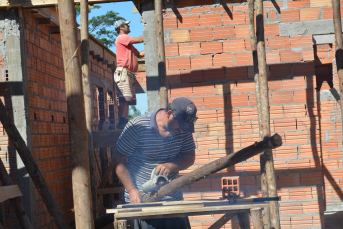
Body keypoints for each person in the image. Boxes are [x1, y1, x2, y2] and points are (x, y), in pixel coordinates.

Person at [114, 97, 198, 229]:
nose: (182, 130)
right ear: (169, 114)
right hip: (142, 201)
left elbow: (189, 157)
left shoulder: (183, 130)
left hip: (173, 201)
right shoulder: (137, 126)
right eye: (180, 126)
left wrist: (170, 166)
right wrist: (131, 190)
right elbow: (119, 160)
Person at [114, 19, 145, 129]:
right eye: (127, 25)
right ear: (121, 27)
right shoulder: (122, 37)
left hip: (129, 73)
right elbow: (141, 39)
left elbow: (140, 54)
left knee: (127, 100)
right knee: (124, 99)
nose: (129, 26)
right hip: (123, 72)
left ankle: (125, 121)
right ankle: (122, 121)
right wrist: (151, 32)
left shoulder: (129, 44)